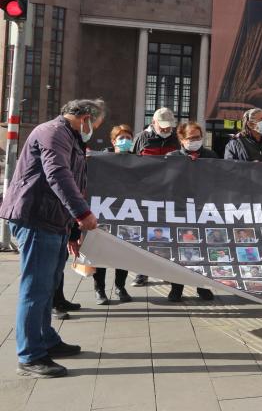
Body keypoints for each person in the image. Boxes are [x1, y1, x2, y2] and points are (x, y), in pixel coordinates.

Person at [0, 99, 105, 378]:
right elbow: (57, 173)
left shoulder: (70, 138)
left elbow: (78, 182)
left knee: (47, 286)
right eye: (94, 124)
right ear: (84, 117)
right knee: (35, 288)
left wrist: (72, 229)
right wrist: (82, 214)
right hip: (37, 218)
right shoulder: (53, 132)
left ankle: (46, 338)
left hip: (54, 220)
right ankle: (30, 355)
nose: (93, 129)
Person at [165, 122, 217, 302]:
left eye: (198, 137)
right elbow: (166, 183)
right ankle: (176, 288)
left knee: (203, 249)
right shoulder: (172, 157)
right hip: (180, 210)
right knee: (179, 250)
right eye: (191, 138)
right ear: (181, 139)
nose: (195, 141)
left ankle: (202, 287)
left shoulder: (210, 156)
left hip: (203, 210)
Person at [130, 107, 179, 288]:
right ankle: (141, 273)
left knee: (165, 235)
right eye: (163, 127)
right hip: (145, 194)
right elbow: (130, 163)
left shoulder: (176, 139)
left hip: (169, 194)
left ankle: (165, 270)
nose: (166, 130)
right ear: (153, 123)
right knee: (145, 235)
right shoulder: (142, 138)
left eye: (169, 127)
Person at [92, 124, 134, 305]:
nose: (125, 141)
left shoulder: (136, 159)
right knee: (102, 253)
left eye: (128, 138)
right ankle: (99, 289)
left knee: (123, 253)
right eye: (121, 138)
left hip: (127, 213)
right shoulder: (101, 158)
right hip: (105, 212)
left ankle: (120, 286)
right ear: (113, 141)